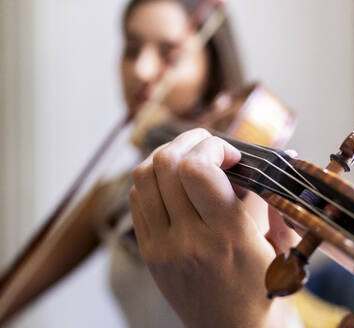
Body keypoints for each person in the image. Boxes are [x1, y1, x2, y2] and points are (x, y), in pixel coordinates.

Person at [0, 0, 244, 326]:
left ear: (210, 67)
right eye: (131, 49)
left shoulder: (242, 189)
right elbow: (13, 293)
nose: (141, 70)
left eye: (169, 53)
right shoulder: (116, 196)